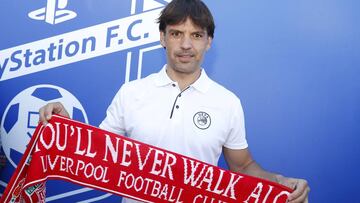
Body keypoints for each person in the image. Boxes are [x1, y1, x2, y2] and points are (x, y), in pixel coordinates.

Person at [39, 0, 310, 202]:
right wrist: (65, 127)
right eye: (176, 33)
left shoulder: (227, 102)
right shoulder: (131, 92)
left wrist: (279, 181)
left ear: (208, 42)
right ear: (162, 38)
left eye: (196, 35)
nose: (186, 45)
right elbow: (98, 151)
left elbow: (242, 166)